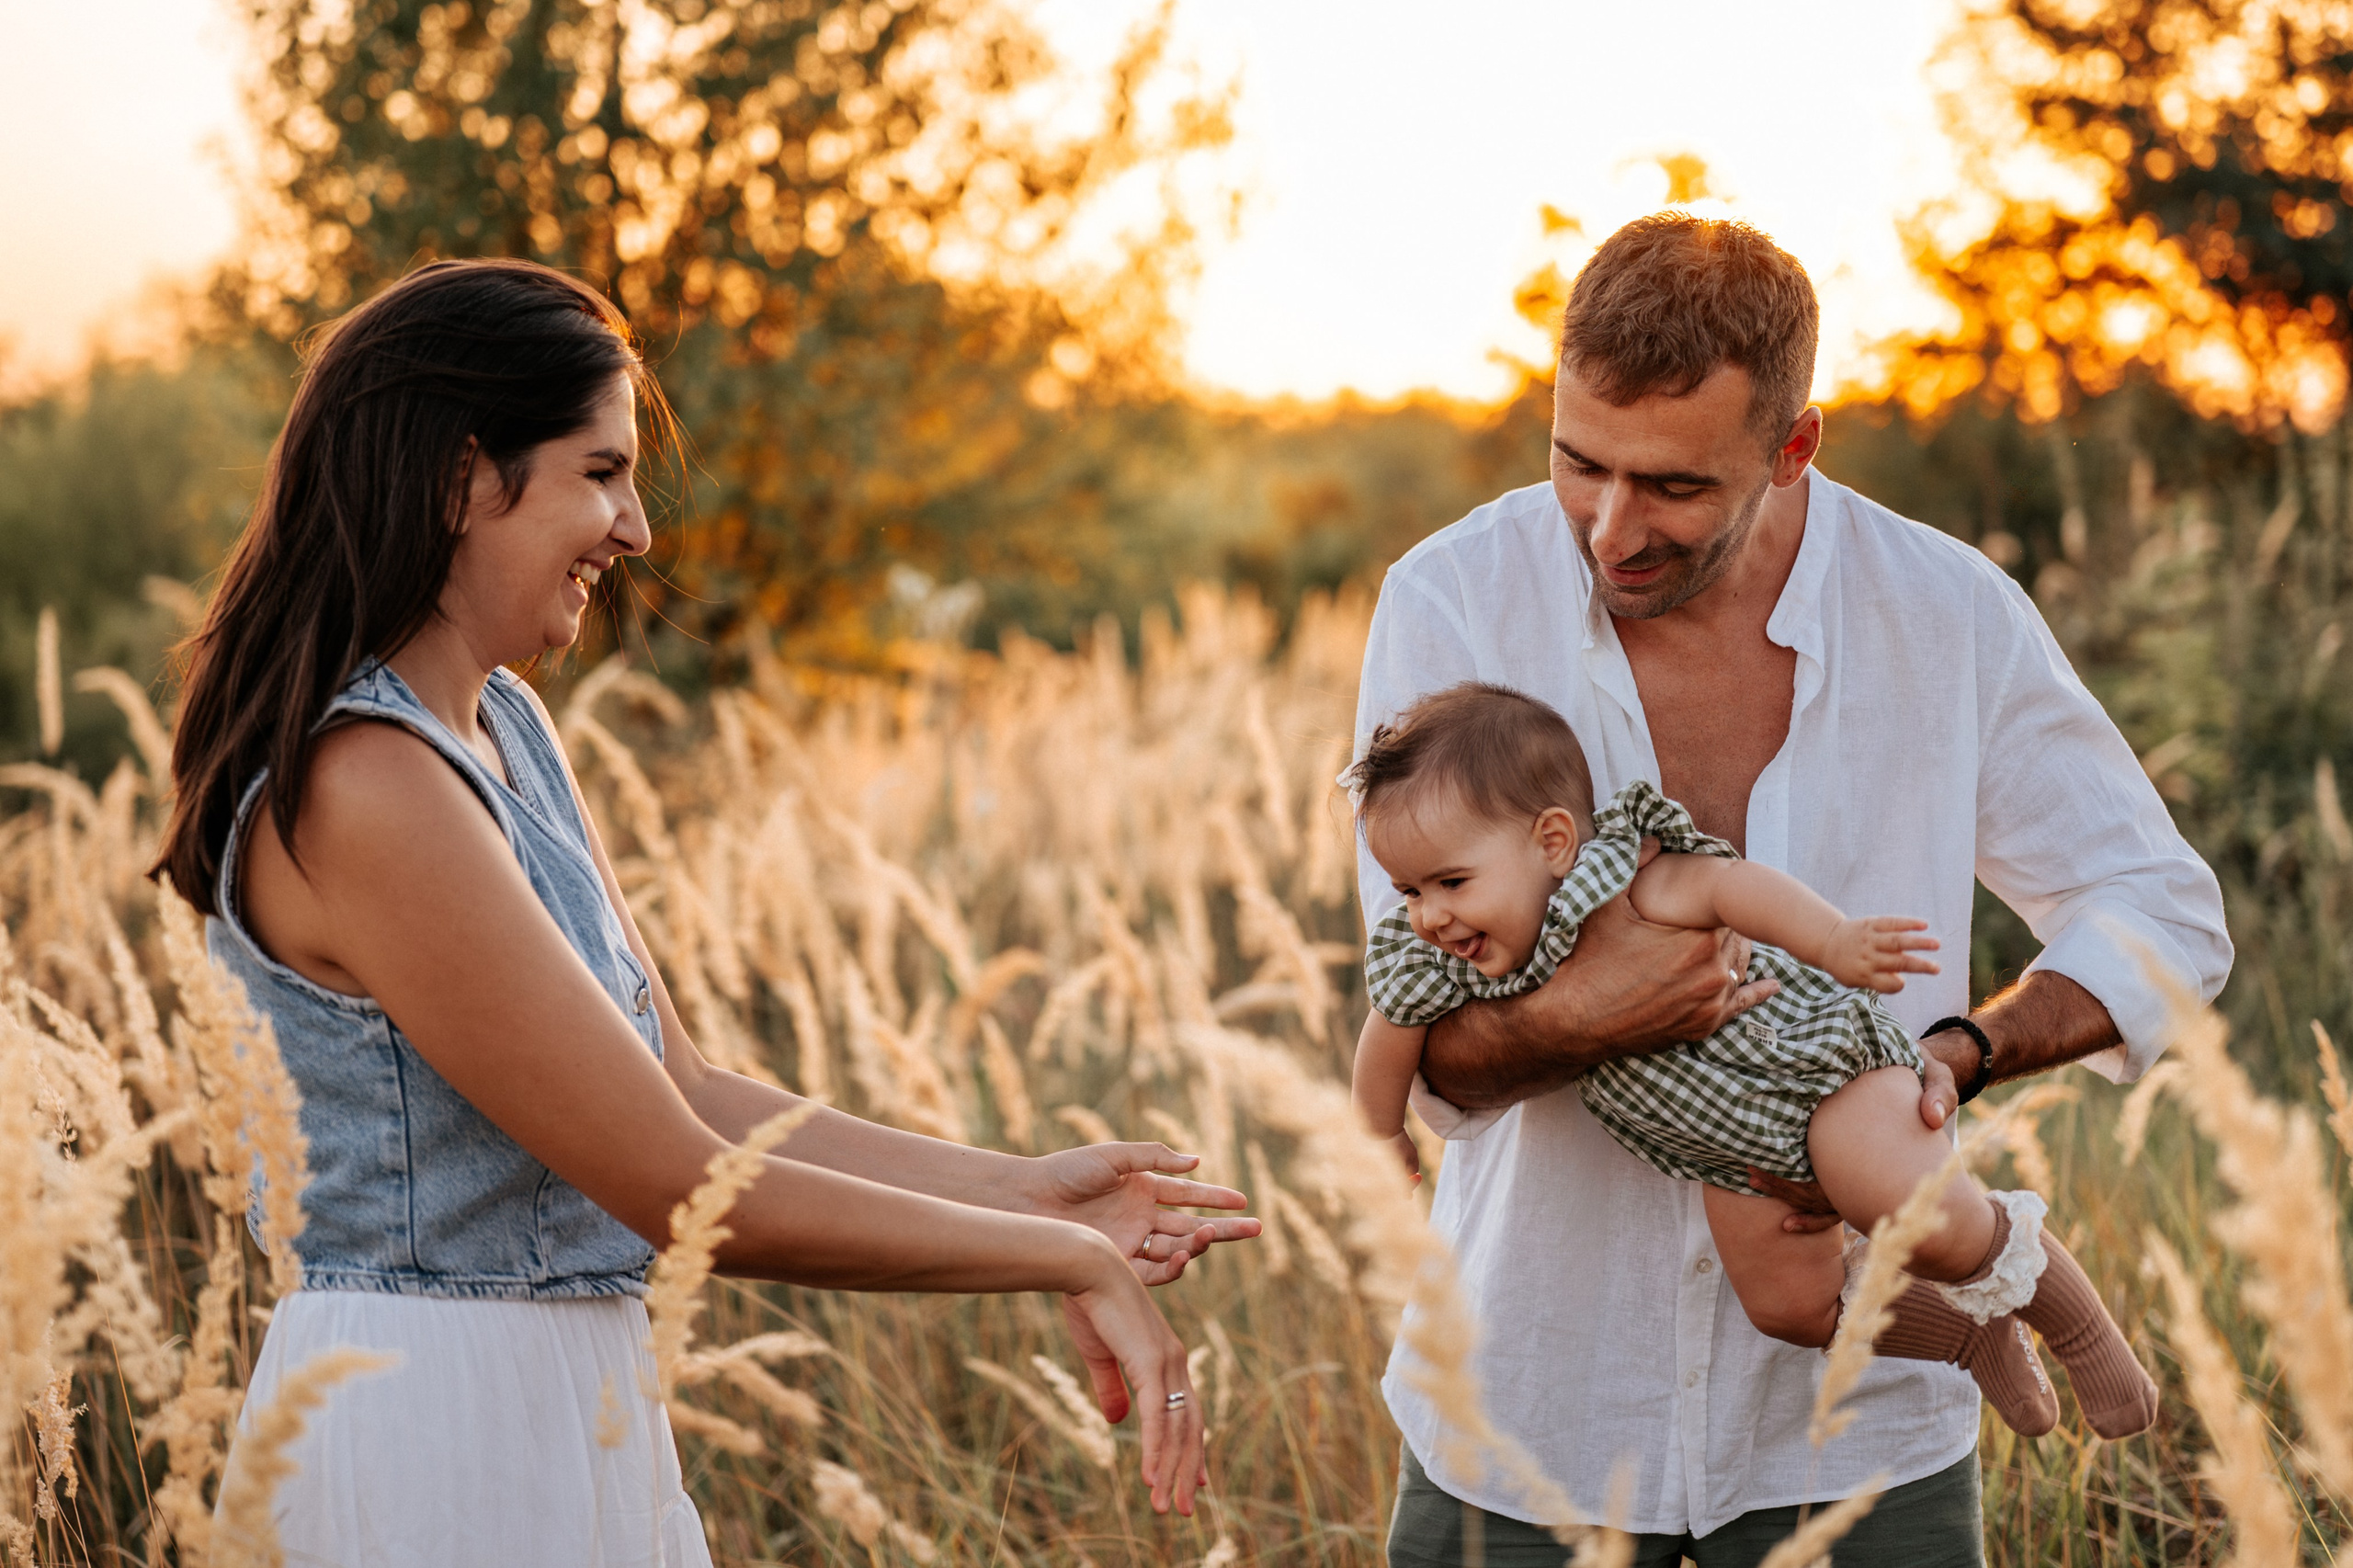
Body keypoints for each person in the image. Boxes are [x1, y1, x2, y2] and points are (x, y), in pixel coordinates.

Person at [154, 257, 1256, 1565]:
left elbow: (683, 1096)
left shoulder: (504, 726)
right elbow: (680, 1188)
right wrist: (1058, 1261)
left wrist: (1032, 1192)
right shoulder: (367, 782)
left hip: (577, 1403)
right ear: (462, 477)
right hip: (430, 1423)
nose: (637, 532)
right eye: (600, 472)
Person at [1358, 216, 2231, 1567]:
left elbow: (2158, 907)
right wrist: (1601, 1010)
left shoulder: (1946, 611)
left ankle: (2033, 1312)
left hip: (1863, 1444)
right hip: (1530, 1416)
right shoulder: (1452, 600)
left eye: (1674, 487)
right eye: (1577, 463)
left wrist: (1965, 1050)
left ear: (1793, 448)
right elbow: (1423, 1036)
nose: (1610, 527)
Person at [1347, 682, 2157, 1443]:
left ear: (1554, 841)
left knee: (1905, 1208)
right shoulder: (1449, 954)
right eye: (1409, 890)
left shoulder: (1617, 883)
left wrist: (1836, 941)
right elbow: (1389, 1034)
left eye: (1450, 881)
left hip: (1812, 1068)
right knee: (1791, 1307)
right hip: (1726, 1145)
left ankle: (2077, 1323)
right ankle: (1967, 1338)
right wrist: (1380, 1136)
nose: (1428, 915)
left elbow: (1730, 889)